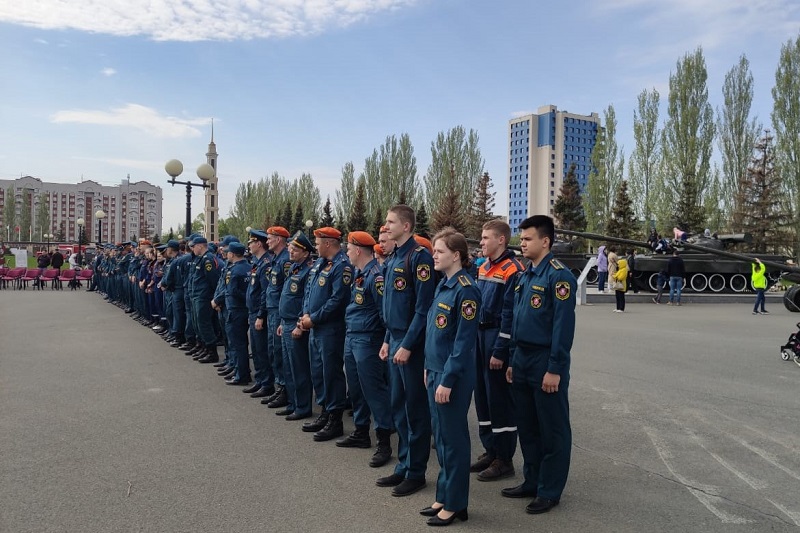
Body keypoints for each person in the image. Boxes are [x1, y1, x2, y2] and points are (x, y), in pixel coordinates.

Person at [502, 215, 575, 515]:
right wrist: (511, 359)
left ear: (545, 241)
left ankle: (549, 490)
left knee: (552, 429)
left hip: (545, 359)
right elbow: (516, 320)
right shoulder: (525, 275)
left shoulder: (559, 277)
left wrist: (555, 368)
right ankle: (531, 481)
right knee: (528, 426)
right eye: (521, 238)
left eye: (527, 239)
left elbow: (562, 327)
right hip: (522, 359)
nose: (522, 244)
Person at [419, 229, 480, 527]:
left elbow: (463, 343)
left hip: (451, 376)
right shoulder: (444, 285)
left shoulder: (466, 290)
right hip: (436, 370)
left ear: (456, 255)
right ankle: (444, 495)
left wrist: (447, 379)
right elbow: (435, 333)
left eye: (439, 251)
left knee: (454, 440)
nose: (434, 256)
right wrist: (428, 367)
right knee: (441, 438)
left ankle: (456, 504)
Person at [377, 204, 435, 497]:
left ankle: (416, 472)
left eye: (391, 222)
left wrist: (408, 345)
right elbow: (392, 306)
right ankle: (403, 465)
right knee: (398, 407)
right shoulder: (393, 257)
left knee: (415, 410)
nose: (386, 226)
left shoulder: (419, 257)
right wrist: (388, 339)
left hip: (411, 345)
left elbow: (423, 309)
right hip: (396, 339)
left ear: (406, 227)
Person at [471, 219, 523, 482]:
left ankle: (504, 459)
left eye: (485, 237)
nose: (481, 242)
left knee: (499, 400)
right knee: (482, 397)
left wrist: (501, 350)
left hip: (495, 337)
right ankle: (490, 449)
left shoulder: (513, 269)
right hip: (480, 336)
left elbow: (510, 315)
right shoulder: (484, 267)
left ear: (501, 240)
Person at [339, 231, 393, 468]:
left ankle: (384, 441)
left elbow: (384, 314)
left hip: (368, 340)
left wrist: (384, 341)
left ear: (359, 250)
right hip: (353, 337)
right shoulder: (359, 274)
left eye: (349, 248)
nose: (347, 252)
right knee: (356, 388)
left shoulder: (375, 277)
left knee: (374, 391)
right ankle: (361, 432)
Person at [299, 227, 352, 442]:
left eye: (318, 242)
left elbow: (338, 300)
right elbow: (309, 292)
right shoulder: (320, 264)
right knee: (318, 372)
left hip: (331, 329)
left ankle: (335, 419)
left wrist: (314, 318)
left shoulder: (342, 266)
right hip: (315, 327)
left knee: (331, 374)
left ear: (328, 243)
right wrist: (305, 314)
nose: (316, 246)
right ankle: (325, 411)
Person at [277, 232, 316, 421]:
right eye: (290, 248)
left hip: (296, 323)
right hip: (286, 322)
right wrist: (281, 322)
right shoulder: (294, 268)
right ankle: (293, 403)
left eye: (295, 249)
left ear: (305, 252)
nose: (290, 251)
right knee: (288, 367)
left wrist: (299, 325)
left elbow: (306, 300)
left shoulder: (308, 270)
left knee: (299, 368)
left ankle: (303, 406)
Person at [243, 229, 275, 399]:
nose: (249, 245)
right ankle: (260, 380)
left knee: (262, 350)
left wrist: (261, 315)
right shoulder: (257, 262)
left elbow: (265, 292)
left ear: (258, 244)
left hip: (259, 313)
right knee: (255, 349)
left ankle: (267, 383)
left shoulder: (266, 264)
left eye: (251, 242)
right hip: (253, 311)